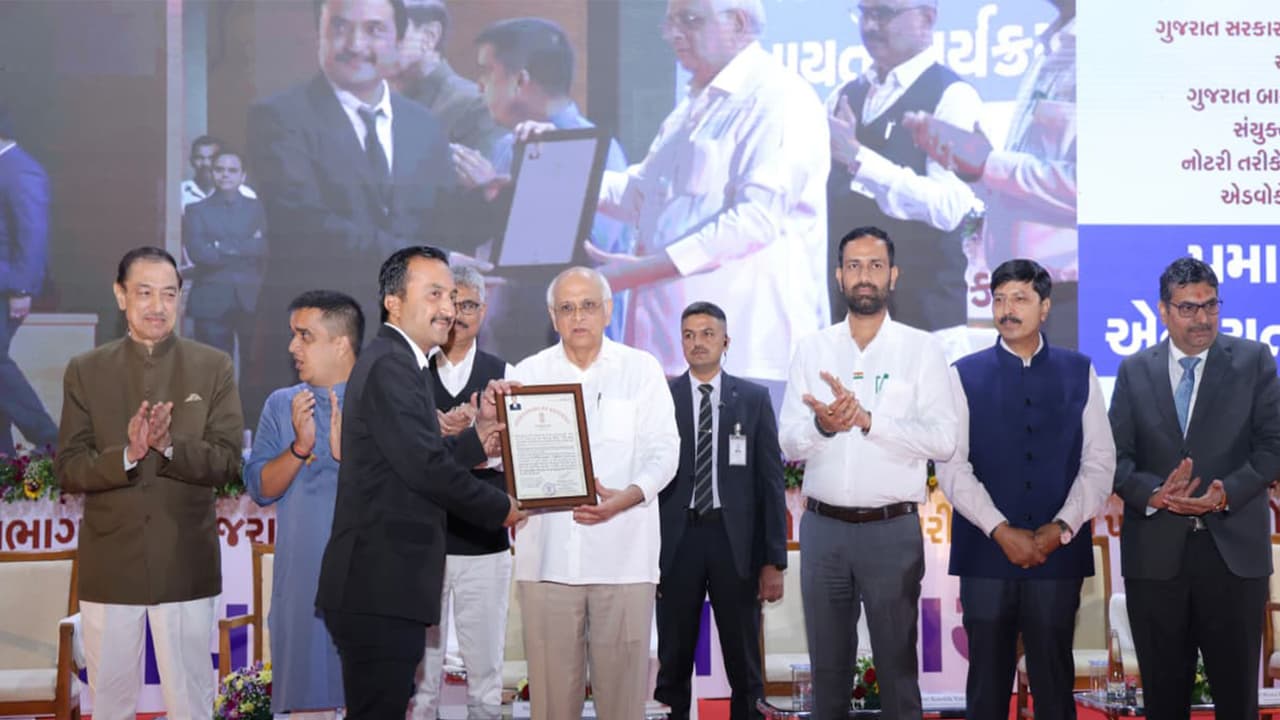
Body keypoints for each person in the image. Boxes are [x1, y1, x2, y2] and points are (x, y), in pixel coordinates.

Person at [516, 0, 829, 384]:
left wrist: (643, 270)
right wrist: (560, 165)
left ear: (739, 21)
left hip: (748, 351)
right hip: (667, 348)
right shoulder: (691, 107)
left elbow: (755, 220)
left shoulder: (779, 97)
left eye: (690, 21)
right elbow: (639, 195)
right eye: (669, 23)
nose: (674, 34)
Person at [246, 0, 501, 422]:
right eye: (341, 28)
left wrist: (490, 200)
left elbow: (442, 221)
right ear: (319, 34)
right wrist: (432, 262)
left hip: (408, 347)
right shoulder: (278, 118)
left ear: (399, 40)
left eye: (374, 31)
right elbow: (305, 225)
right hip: (320, 343)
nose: (355, 44)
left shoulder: (423, 125)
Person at [316, 246, 523, 719]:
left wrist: (477, 437)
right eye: (434, 295)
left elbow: (414, 458)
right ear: (393, 301)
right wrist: (501, 509)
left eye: (452, 296)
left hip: (383, 585)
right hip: (378, 586)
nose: (448, 309)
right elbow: (427, 470)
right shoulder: (393, 364)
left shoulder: (402, 361)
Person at [54, 246, 244, 720]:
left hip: (185, 565)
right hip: (110, 564)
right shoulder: (86, 369)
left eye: (169, 294)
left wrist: (170, 447)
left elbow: (227, 462)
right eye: (144, 293)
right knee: (111, 705)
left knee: (191, 703)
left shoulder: (212, 365)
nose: (157, 306)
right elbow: (70, 468)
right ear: (121, 296)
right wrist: (129, 456)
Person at [779, 226, 957, 720]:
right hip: (823, 530)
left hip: (891, 531)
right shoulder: (812, 349)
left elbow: (944, 440)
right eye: (854, 266)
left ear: (893, 276)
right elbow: (788, 441)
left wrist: (869, 421)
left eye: (875, 266)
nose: (864, 276)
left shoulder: (922, 350)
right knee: (828, 675)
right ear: (838, 276)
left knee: (898, 673)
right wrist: (825, 424)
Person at [935, 259, 1113, 720]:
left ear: (1045, 306)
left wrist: (1062, 526)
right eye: (999, 299)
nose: (1007, 310)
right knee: (987, 687)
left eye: (1020, 299)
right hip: (985, 553)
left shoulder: (1079, 371)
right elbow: (953, 467)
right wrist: (1000, 530)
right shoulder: (963, 374)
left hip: (1058, 553)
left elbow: (1098, 463)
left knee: (1054, 682)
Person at [1109, 257, 1280, 720]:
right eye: (1187, 308)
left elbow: (1272, 449)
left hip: (1233, 558)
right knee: (1164, 701)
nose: (1201, 319)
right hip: (1156, 560)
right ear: (1163, 311)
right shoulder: (1133, 371)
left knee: (1236, 700)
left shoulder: (1253, 361)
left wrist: (1225, 492)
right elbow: (1115, 460)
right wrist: (1154, 493)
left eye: (1209, 305)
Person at [508, 266, 679, 720]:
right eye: (567, 307)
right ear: (552, 315)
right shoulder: (527, 374)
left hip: (624, 558)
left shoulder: (641, 369)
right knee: (549, 704)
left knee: (623, 704)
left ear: (607, 310)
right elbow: (509, 462)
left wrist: (626, 497)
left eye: (588, 305)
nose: (578, 316)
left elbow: (666, 452)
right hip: (547, 558)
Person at [904, 0, 1078, 347]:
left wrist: (989, 164)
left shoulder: (1105, 54)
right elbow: (1023, 185)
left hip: (1071, 304)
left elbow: (1093, 187)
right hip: (1022, 298)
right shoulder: (1051, 49)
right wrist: (973, 168)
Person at [460, 16, 635, 357]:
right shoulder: (504, 146)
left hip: (567, 350)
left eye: (487, 71)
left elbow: (589, 251)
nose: (479, 85)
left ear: (521, 80)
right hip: (506, 344)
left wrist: (503, 198)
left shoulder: (596, 151)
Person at [825, 0, 981, 356]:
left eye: (885, 13)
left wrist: (858, 159)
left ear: (927, 18)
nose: (870, 25)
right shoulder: (843, 95)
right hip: (851, 321)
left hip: (926, 321)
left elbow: (950, 207)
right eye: (864, 12)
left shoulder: (951, 94)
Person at [655, 300, 786, 720]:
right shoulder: (661, 397)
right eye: (689, 335)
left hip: (736, 545)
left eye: (707, 334)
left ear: (726, 341)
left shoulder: (753, 398)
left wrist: (773, 561)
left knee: (744, 661)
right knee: (673, 659)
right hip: (677, 542)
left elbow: (770, 484)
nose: (698, 343)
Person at [245, 290, 365, 718]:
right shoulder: (283, 404)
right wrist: (300, 447)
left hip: (370, 588)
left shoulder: (381, 401)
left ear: (340, 343)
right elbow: (261, 488)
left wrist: (350, 454)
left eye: (304, 336)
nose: (292, 347)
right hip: (303, 589)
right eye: (293, 336)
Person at [410, 266, 514, 720]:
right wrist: (455, 442)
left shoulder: (503, 374)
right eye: (453, 303)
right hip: (422, 538)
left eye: (470, 304)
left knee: (485, 675)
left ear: (483, 311)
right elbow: (403, 455)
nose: (460, 314)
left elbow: (518, 457)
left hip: (484, 540)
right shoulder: (410, 372)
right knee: (421, 681)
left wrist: (469, 446)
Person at [0, 103, 58, 456]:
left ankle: (51, 438)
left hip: (7, 286)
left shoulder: (21, 170)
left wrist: (21, 288)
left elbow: (33, 235)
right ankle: (4, 454)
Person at [182, 148, 267, 368]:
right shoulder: (195, 210)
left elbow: (263, 247)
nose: (225, 175)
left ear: (243, 176)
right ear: (212, 173)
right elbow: (199, 253)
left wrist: (220, 246)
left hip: (251, 297)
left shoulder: (258, 209)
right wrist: (244, 245)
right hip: (211, 299)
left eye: (232, 170)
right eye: (219, 170)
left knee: (254, 368)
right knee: (214, 369)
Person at [392, 0, 505, 158]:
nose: (372, 44)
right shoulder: (366, 101)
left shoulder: (475, 106)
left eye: (392, 29)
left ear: (429, 36)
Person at [180, 135, 257, 211]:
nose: (205, 163)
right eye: (199, 158)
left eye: (211, 158)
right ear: (191, 161)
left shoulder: (246, 194)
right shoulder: (179, 193)